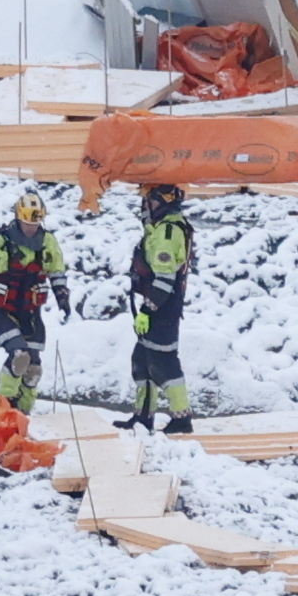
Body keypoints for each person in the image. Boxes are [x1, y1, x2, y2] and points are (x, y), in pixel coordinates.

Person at [0, 190, 66, 409]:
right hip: (2, 309)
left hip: (30, 311)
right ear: (18, 219)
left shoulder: (48, 242)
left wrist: (63, 296)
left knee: (34, 367)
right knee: (19, 357)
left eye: (36, 223)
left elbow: (56, 271)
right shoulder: (0, 242)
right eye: (27, 222)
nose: (31, 228)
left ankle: (24, 410)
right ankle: (4, 405)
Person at [124, 183, 198, 435]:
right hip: (157, 305)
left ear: (163, 203)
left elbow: (165, 279)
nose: (148, 207)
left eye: (152, 202)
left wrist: (148, 310)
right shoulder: (162, 227)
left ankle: (182, 418)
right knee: (142, 362)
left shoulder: (168, 232)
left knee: (163, 364)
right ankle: (143, 417)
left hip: (162, 308)